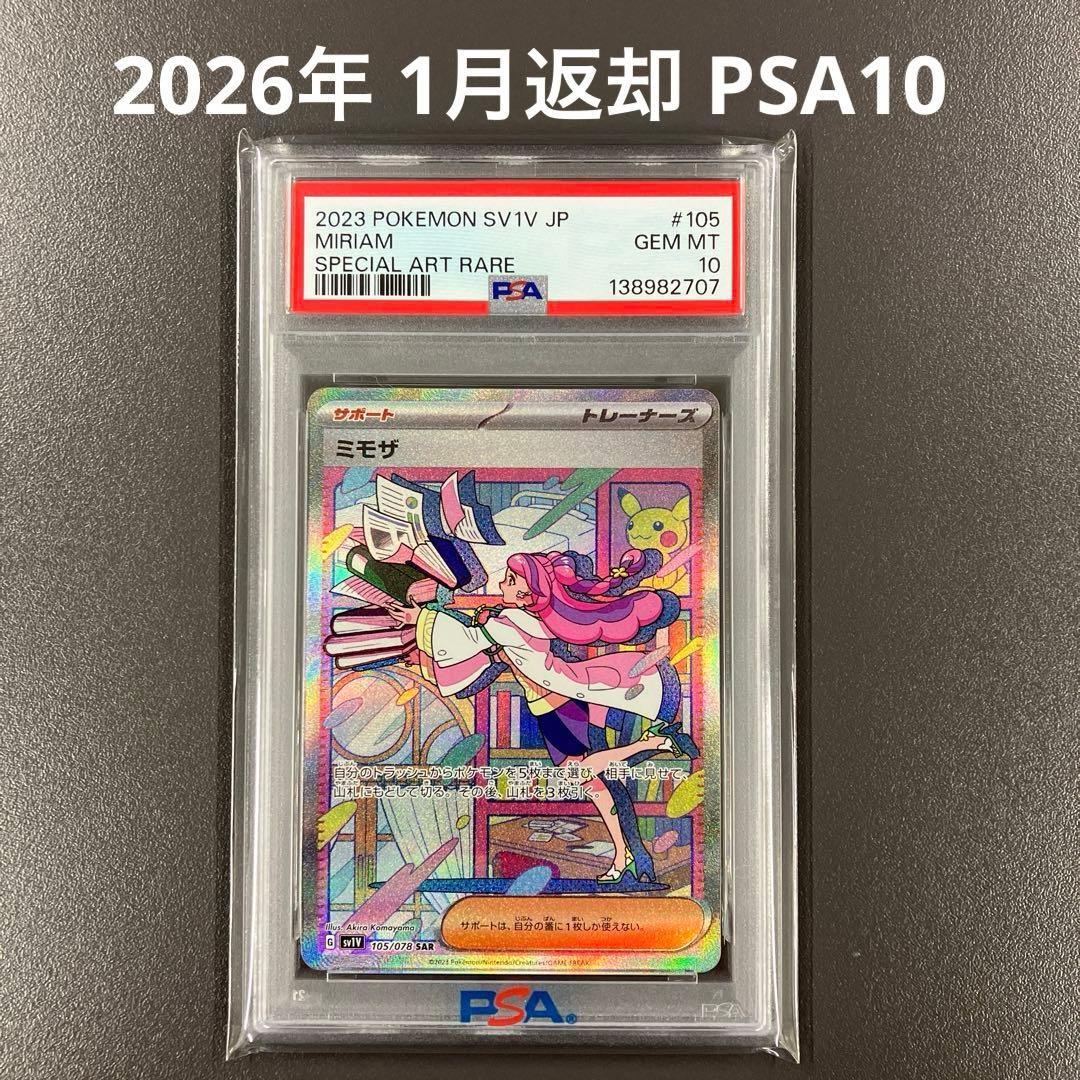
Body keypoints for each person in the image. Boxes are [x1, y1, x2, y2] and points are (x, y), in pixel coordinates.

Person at [389, 547, 698, 886]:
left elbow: (468, 639)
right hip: (554, 705)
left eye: (510, 581)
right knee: (595, 785)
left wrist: (420, 619)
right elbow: (488, 650)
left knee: (583, 774)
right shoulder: (521, 621)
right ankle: (624, 858)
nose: (502, 585)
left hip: (560, 707)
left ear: (527, 594)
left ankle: (657, 743)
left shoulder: (513, 623)